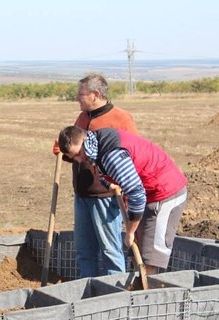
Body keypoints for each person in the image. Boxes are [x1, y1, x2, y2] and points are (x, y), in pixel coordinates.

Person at [58, 125, 188, 275]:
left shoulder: (111, 155)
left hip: (166, 192)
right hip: (149, 192)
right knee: (137, 249)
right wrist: (109, 183)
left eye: (79, 153)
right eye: (75, 157)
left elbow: (137, 195)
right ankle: (139, 289)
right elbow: (101, 169)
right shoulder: (96, 142)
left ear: (84, 139)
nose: (80, 160)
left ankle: (151, 292)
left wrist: (130, 231)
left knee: (150, 256)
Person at [57, 73, 139, 278]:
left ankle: (115, 294)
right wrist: (64, 151)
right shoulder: (83, 117)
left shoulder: (120, 118)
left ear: (95, 94)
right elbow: (76, 150)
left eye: (80, 94)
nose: (77, 98)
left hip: (106, 197)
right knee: (84, 251)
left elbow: (133, 154)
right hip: (82, 195)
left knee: (110, 249)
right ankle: (88, 291)